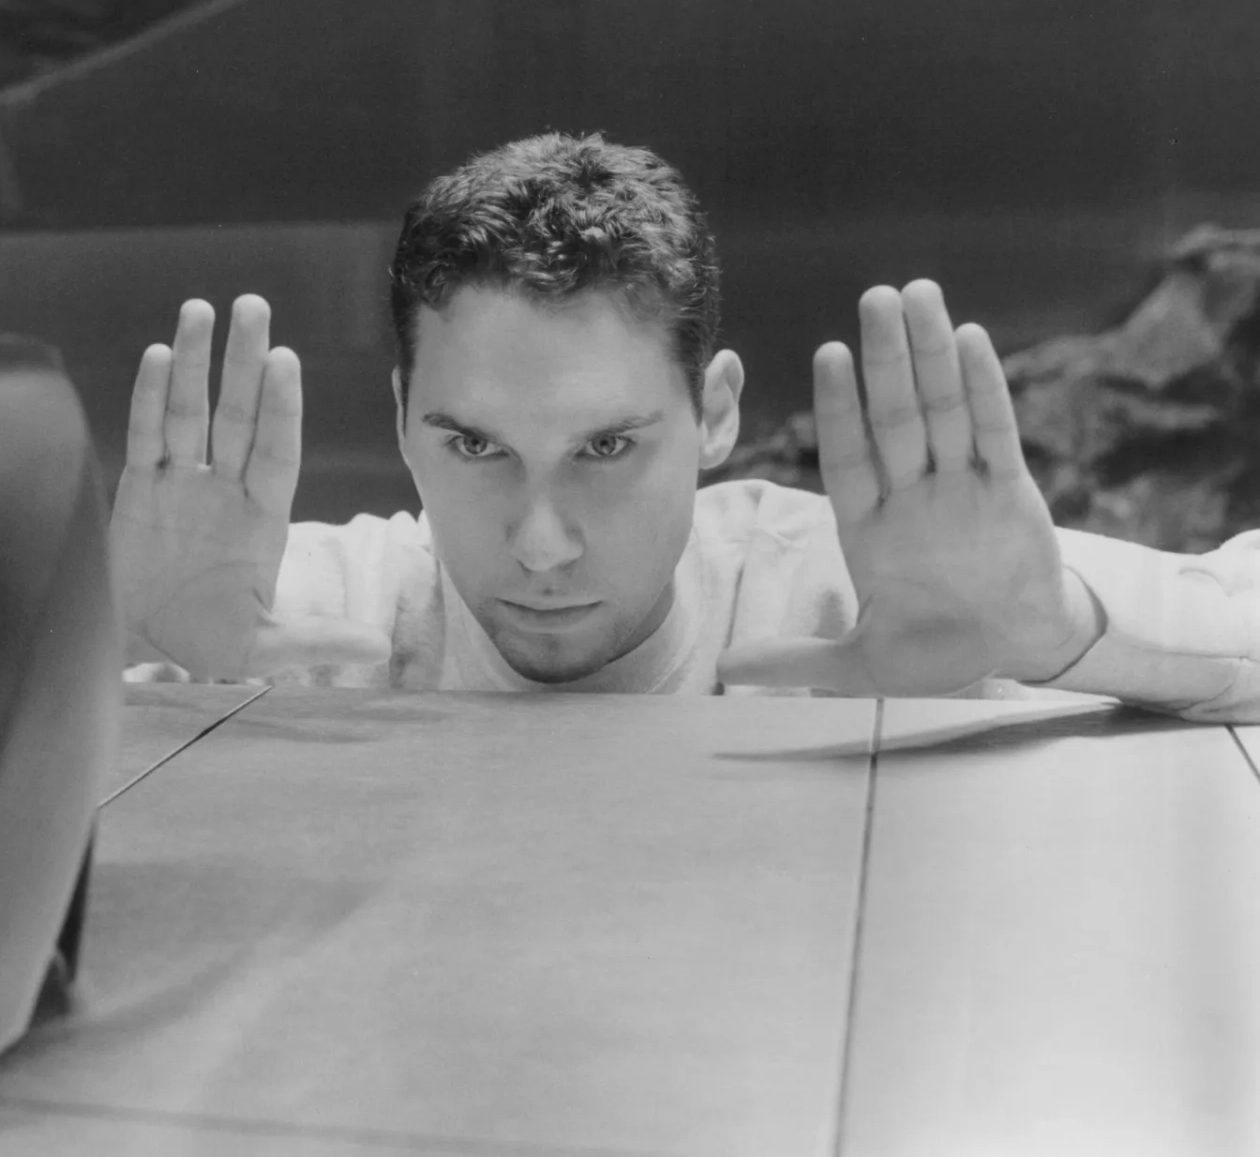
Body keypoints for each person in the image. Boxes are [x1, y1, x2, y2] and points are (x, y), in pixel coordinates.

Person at [113, 132, 1260, 723]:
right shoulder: (289, 621)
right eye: (476, 446)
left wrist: (1055, 628)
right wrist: (109, 634)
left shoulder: (867, 591)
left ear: (714, 412)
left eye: (606, 447)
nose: (541, 543)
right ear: (402, 420)